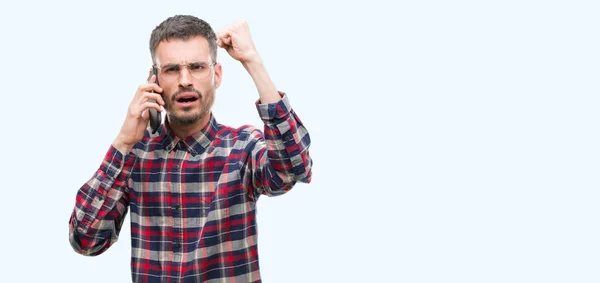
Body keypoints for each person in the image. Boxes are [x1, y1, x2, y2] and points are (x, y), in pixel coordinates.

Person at [68, 15, 313, 283]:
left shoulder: (243, 148)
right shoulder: (135, 156)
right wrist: (123, 143)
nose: (185, 80)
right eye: (172, 69)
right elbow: (86, 239)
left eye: (197, 67)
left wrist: (253, 61)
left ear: (216, 75)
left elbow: (294, 168)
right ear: (154, 80)